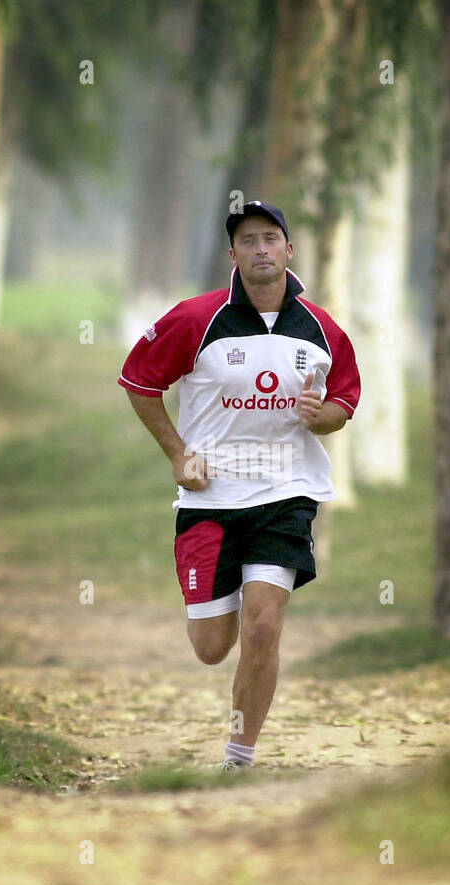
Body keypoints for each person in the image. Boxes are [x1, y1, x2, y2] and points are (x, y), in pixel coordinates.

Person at [118, 200, 361, 771]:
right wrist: (179, 455)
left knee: (263, 626)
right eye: (247, 241)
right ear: (233, 255)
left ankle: (238, 760)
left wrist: (318, 414)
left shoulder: (322, 330)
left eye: (270, 239)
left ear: (288, 250)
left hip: (286, 494)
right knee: (211, 648)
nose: (260, 249)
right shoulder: (196, 318)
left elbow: (342, 406)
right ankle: (215, 629)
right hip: (210, 501)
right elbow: (138, 381)